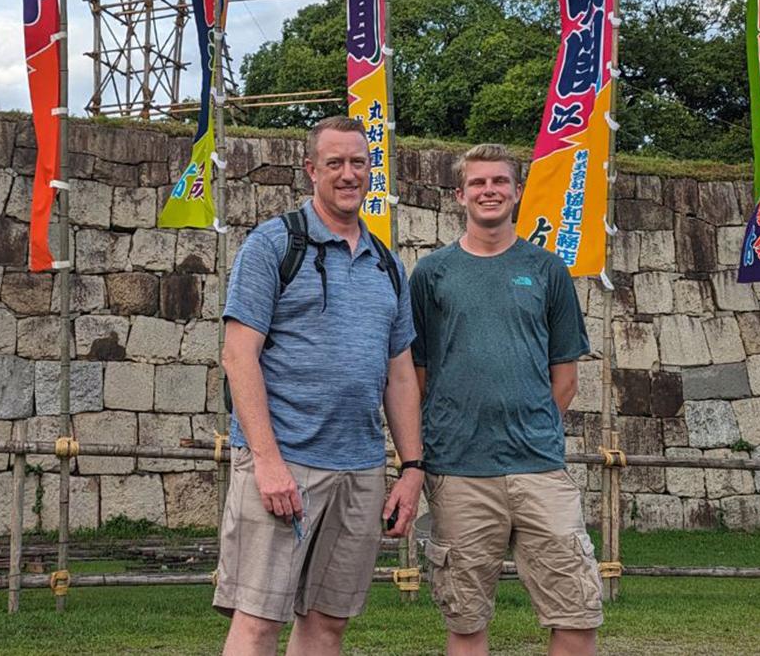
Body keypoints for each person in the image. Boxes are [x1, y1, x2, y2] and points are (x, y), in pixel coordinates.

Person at [214, 115, 425, 656]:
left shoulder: (386, 263)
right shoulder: (273, 245)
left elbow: (399, 373)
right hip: (285, 462)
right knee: (259, 619)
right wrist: (266, 461)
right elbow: (239, 355)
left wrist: (411, 467)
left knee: (328, 623)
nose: (349, 174)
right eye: (335, 163)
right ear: (311, 170)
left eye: (359, 162)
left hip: (358, 468)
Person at [410, 143, 601, 656]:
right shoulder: (432, 274)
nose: (488, 190)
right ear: (459, 195)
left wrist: (529, 424)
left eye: (499, 182)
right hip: (458, 469)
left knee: (577, 613)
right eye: (477, 183)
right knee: (466, 621)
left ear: (517, 192)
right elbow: (418, 376)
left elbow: (565, 377)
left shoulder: (546, 270)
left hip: (538, 467)